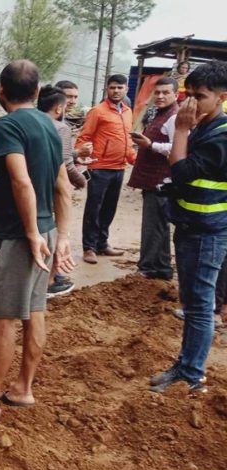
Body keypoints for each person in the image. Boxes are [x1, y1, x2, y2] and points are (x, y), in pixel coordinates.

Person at [0, 60, 75, 421]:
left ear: (1, 92)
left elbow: (21, 181)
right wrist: (62, 238)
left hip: (21, 237)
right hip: (47, 232)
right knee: (35, 310)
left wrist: (29, 233)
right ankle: (23, 387)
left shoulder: (7, 126)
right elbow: (63, 187)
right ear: (39, 93)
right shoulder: (50, 125)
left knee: (2, 321)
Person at [150, 61, 227, 394]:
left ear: (222, 97)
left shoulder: (220, 136)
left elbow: (181, 171)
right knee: (194, 300)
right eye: (189, 95)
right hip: (192, 225)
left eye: (201, 96)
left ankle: (192, 374)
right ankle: (185, 366)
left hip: (207, 232)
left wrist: (180, 130)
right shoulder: (205, 127)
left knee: (199, 304)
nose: (191, 103)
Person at [76, 74, 136, 264]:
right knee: (94, 209)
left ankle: (102, 243)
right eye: (112, 87)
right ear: (107, 89)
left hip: (119, 167)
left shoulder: (127, 111)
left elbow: (127, 139)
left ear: (126, 89)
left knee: (109, 208)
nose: (116, 91)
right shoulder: (98, 111)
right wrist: (82, 159)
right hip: (100, 167)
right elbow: (84, 137)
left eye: (120, 87)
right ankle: (89, 248)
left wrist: (133, 158)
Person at [38, 84, 87, 298]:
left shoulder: (28, 123)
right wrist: (82, 180)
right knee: (54, 234)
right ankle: (48, 282)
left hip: (31, 188)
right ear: (59, 107)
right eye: (69, 99)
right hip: (51, 190)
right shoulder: (60, 128)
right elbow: (65, 164)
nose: (72, 102)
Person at [128, 77, 180, 280]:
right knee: (157, 226)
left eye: (165, 93)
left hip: (162, 181)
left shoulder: (174, 117)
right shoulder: (159, 114)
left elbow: (178, 148)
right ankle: (161, 267)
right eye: (157, 93)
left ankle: (150, 267)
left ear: (175, 95)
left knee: (154, 226)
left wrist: (150, 145)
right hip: (154, 180)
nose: (160, 96)